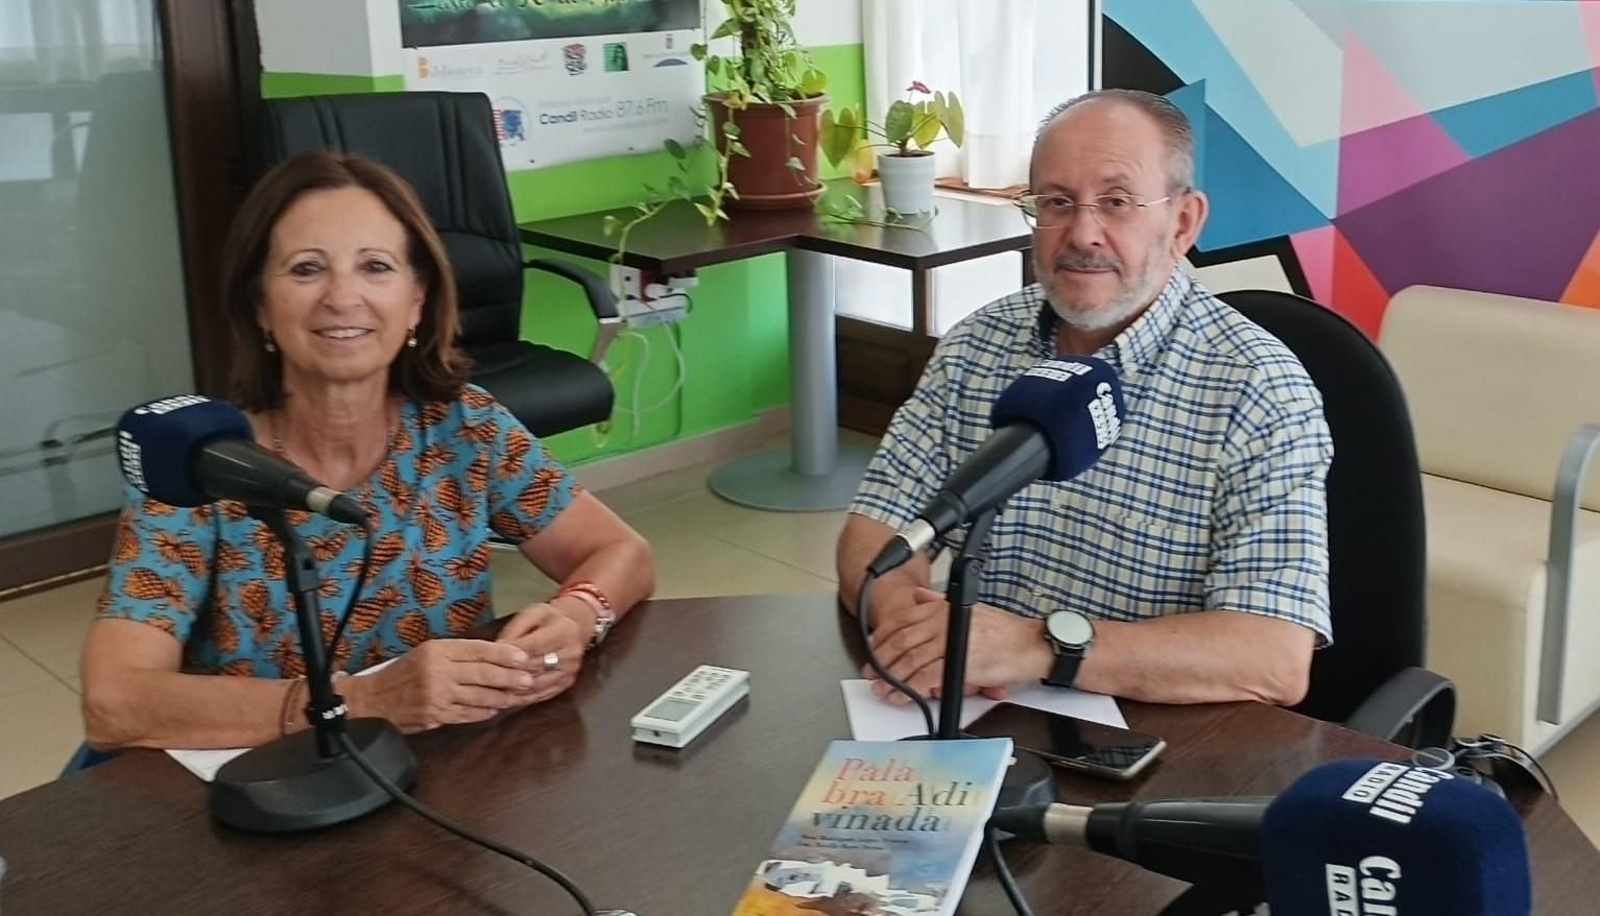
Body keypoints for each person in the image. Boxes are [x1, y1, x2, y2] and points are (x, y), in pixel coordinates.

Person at [81, 151, 654, 750]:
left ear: (416, 301)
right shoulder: (204, 463)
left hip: (440, 774)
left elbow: (621, 551)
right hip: (264, 793)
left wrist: (578, 615)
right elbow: (115, 702)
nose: (342, 297)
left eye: (376, 267)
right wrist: (363, 702)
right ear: (260, 308)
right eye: (306, 270)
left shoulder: (464, 425)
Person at [836, 89, 1333, 709]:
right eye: (1057, 203)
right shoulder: (978, 345)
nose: (1083, 233)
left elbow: (1273, 658)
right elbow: (875, 531)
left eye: (1117, 203)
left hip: (1161, 747)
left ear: (1182, 223)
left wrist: (1041, 646)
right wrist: (923, 634)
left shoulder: (1258, 390)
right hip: (985, 710)